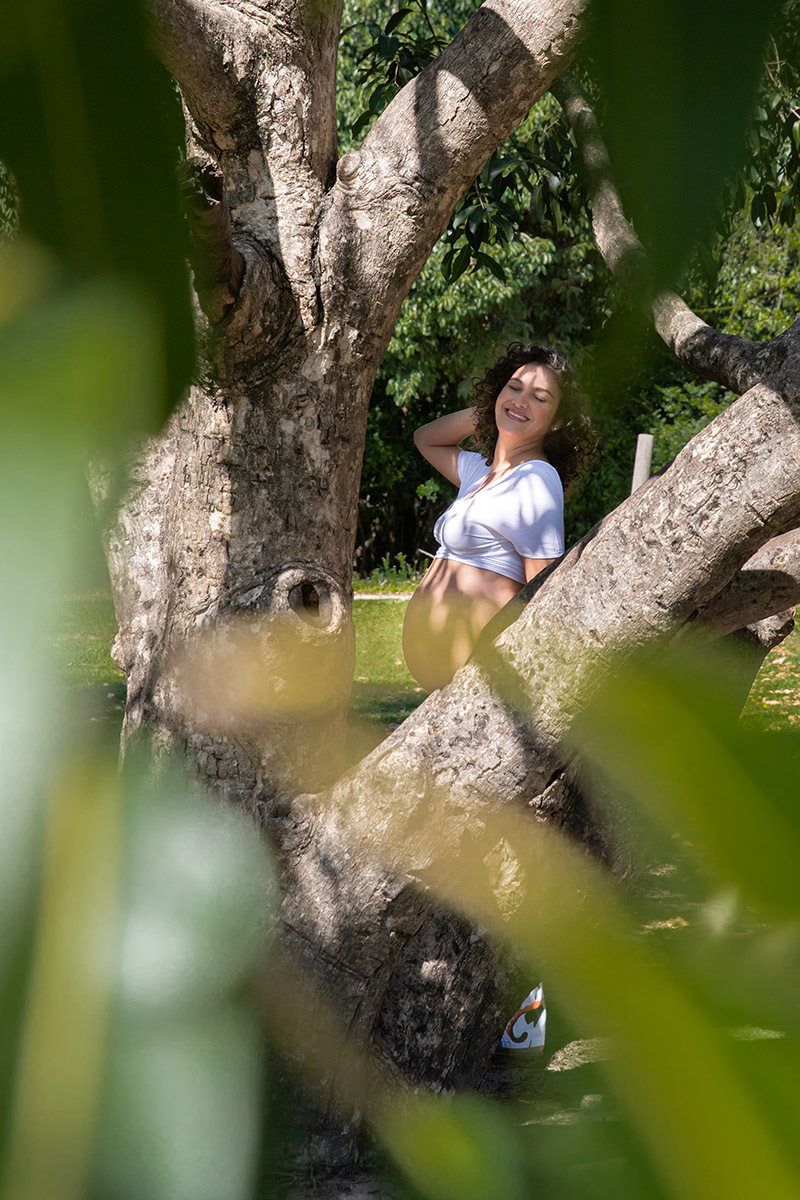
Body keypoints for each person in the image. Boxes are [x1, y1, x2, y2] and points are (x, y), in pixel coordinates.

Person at [402, 343, 592, 692]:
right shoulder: (481, 471)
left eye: (540, 397)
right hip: (446, 690)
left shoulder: (535, 479)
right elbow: (426, 438)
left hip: (481, 688)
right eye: (515, 387)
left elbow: (544, 594)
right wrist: (497, 407)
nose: (522, 401)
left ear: (559, 420)